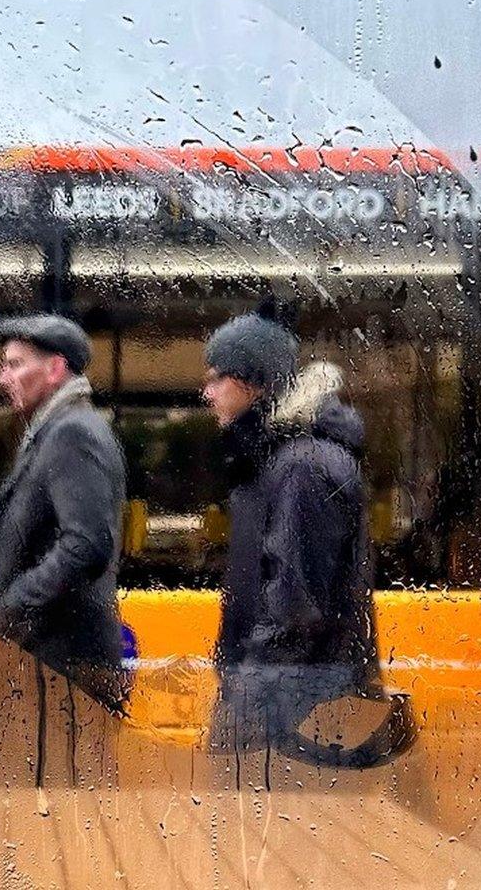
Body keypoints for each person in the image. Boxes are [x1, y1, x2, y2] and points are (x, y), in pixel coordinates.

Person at [201, 299, 412, 768]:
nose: (207, 392)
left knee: (276, 834)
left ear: (250, 383)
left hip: (295, 707)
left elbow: (294, 604)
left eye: (215, 377)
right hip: (286, 699)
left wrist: (245, 705)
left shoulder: (303, 467)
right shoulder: (277, 461)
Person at [0, 313, 130, 717]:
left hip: (61, 663)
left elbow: (86, 543)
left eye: (15, 365)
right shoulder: (53, 430)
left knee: (52, 781)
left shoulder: (72, 432)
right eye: (3, 366)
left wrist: (10, 606)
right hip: (48, 661)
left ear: (56, 368)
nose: (4, 379)